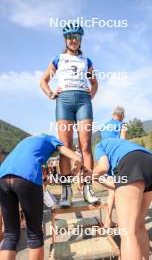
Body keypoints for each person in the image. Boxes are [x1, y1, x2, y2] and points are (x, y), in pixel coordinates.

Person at [40, 22, 99, 207]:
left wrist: (92, 93)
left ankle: (88, 188)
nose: (73, 40)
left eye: (77, 37)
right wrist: (50, 93)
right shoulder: (58, 59)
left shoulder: (86, 61)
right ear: (65, 40)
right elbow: (43, 81)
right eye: (70, 37)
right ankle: (67, 191)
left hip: (83, 101)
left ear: (80, 40)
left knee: (85, 146)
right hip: (64, 101)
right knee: (65, 146)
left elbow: (95, 83)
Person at [0, 134, 82, 260]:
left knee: (10, 234)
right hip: (27, 175)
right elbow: (74, 156)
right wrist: (77, 166)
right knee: (34, 234)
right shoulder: (50, 139)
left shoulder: (24, 142)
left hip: (3, 176)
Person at [83, 138, 152, 260]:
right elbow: (117, 184)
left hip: (132, 163)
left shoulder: (99, 146)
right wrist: (95, 177)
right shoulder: (120, 147)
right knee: (139, 225)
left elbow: (103, 167)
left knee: (127, 233)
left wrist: (88, 177)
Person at [101, 106, 127, 228]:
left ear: (113, 114)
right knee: (122, 190)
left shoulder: (105, 126)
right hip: (117, 159)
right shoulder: (123, 125)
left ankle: (108, 220)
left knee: (111, 191)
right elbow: (122, 141)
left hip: (106, 158)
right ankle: (123, 221)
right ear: (122, 115)